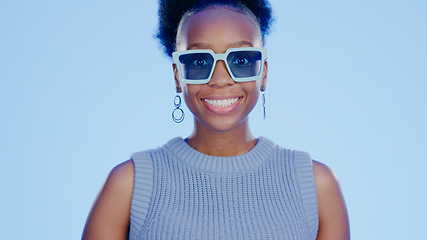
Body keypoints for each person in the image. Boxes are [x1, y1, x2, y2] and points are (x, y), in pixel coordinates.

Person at [82, 0, 350, 239]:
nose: (220, 79)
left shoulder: (316, 187)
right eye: (199, 62)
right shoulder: (130, 185)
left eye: (241, 59)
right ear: (177, 75)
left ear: (264, 73)